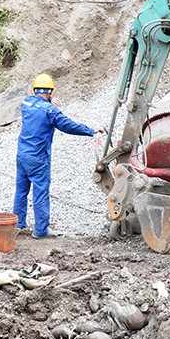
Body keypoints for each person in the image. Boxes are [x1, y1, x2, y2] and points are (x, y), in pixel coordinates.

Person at [13, 73, 103, 239]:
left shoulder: (26, 103)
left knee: (21, 191)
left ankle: (18, 224)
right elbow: (68, 125)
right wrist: (91, 130)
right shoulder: (51, 111)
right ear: (51, 91)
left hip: (22, 155)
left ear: (34, 90)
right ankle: (40, 231)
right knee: (40, 192)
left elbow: (37, 103)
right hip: (38, 158)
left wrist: (47, 102)